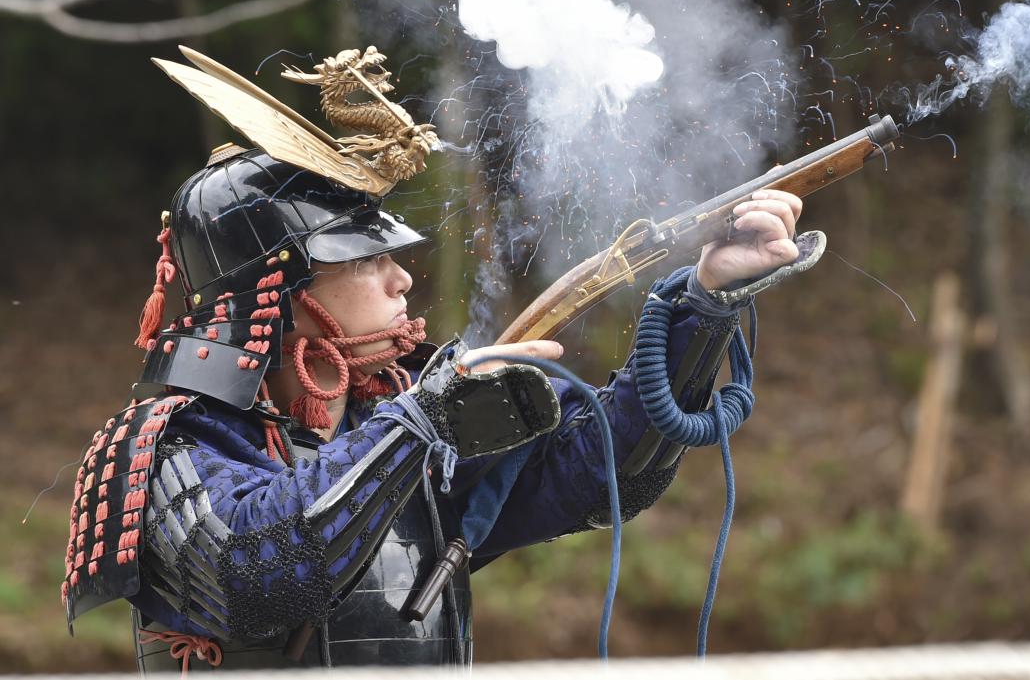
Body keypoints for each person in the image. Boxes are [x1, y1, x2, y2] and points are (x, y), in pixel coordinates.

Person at [60, 48, 824, 671]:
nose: (401, 278)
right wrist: (422, 417)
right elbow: (260, 574)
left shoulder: (397, 428)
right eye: (364, 259)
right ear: (280, 286)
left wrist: (703, 303)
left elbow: (604, 475)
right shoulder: (167, 444)